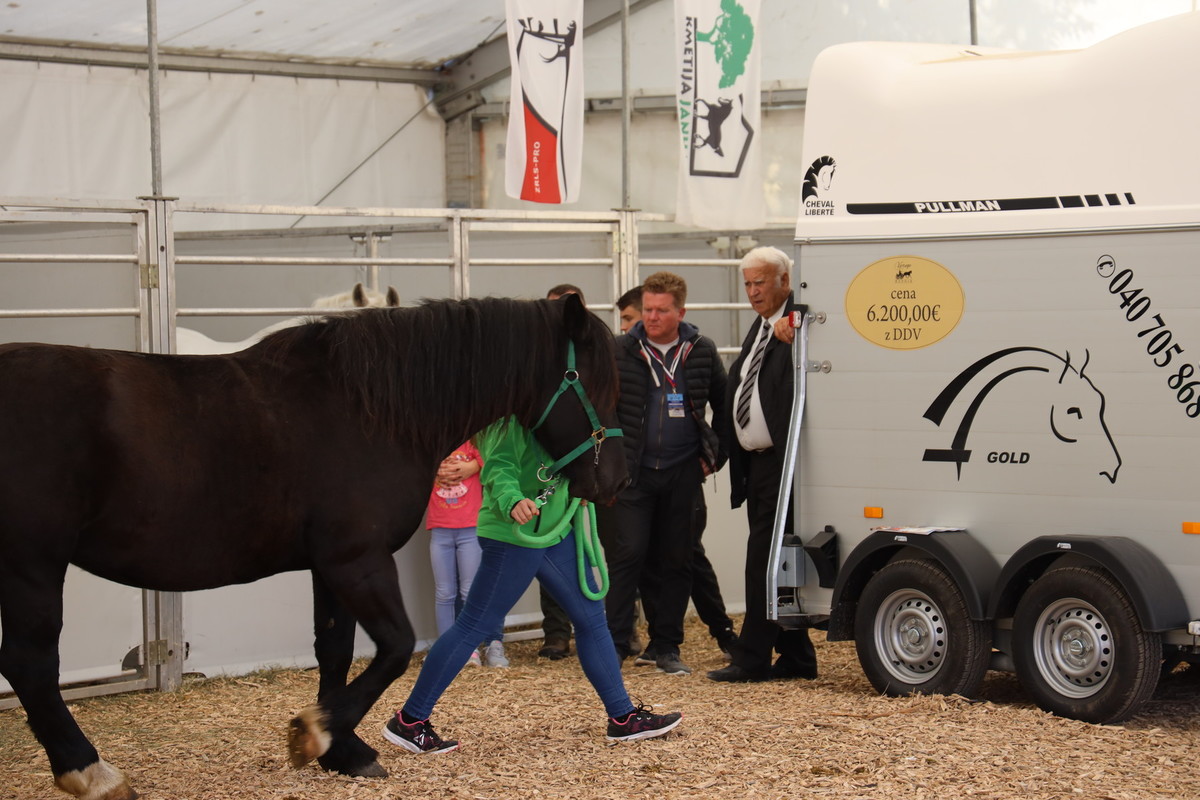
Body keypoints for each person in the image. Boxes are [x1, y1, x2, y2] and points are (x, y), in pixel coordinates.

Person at [383, 418, 682, 753]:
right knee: (473, 625)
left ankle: (623, 717)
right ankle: (410, 721)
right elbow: (498, 466)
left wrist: (575, 490)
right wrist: (512, 501)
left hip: (554, 531)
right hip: (515, 534)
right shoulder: (509, 420)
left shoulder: (549, 413)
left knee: (590, 618)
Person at [604, 271, 727, 675]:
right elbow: (600, 408)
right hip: (634, 473)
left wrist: (714, 455)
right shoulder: (621, 350)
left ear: (680, 311)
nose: (652, 317)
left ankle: (666, 645)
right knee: (628, 556)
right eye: (648, 309)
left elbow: (725, 410)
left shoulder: (702, 350)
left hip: (682, 471)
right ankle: (616, 644)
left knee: (678, 560)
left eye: (661, 311)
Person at [708, 246, 818, 683]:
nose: (753, 292)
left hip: (784, 462)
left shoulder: (798, 320)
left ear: (784, 283)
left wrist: (798, 326)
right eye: (748, 284)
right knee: (774, 555)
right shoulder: (762, 326)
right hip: (754, 464)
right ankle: (796, 656)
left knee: (765, 559)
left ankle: (751, 657)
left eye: (760, 283)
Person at [534, 284, 589, 660]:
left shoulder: (593, 355)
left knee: (598, 551)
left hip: (587, 464)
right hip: (546, 469)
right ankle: (556, 633)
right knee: (547, 544)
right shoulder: (536, 361)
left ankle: (611, 627)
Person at [426, 442, 508, 668]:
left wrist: (473, 465)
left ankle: (469, 648)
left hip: (470, 528)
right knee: (444, 593)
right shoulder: (432, 441)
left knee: (469, 590)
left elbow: (492, 457)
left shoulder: (474, 443)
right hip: (440, 529)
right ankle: (446, 649)